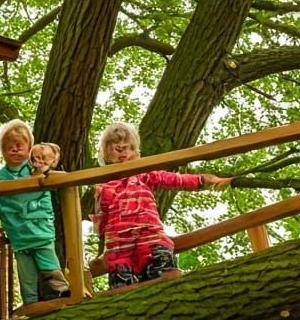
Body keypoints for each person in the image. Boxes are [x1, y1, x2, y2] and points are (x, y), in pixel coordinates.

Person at [93, 121, 232, 288]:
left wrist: (202, 180)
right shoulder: (104, 186)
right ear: (106, 153)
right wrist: (103, 244)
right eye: (118, 149)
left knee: (165, 273)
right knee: (123, 284)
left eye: (130, 148)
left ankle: (165, 276)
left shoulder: (143, 174)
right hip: (119, 246)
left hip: (149, 237)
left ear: (137, 152)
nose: (124, 153)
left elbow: (174, 179)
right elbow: (102, 217)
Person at [0, 120, 70, 306]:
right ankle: (31, 305)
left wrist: (46, 168)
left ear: (29, 148)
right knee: (26, 275)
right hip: (19, 237)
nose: (15, 150)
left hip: (41, 231)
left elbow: (55, 170)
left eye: (20, 146)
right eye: (10, 147)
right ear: (3, 151)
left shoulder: (37, 169)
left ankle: (61, 295)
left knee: (50, 266)